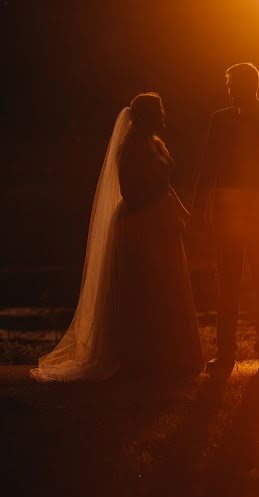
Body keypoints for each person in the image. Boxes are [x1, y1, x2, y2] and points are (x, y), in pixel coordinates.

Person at [31, 93, 204, 381]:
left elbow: (166, 185)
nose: (163, 117)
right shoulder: (130, 148)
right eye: (158, 112)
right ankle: (139, 357)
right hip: (141, 224)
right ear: (144, 116)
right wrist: (160, 213)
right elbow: (130, 191)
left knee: (167, 285)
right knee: (143, 287)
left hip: (162, 221)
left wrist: (182, 213)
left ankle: (168, 355)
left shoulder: (156, 144)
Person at [192, 62, 259, 374]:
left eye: (230, 85)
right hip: (228, 210)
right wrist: (199, 209)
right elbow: (208, 166)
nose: (227, 91)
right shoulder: (220, 120)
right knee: (227, 283)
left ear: (246, 86)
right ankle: (225, 353)